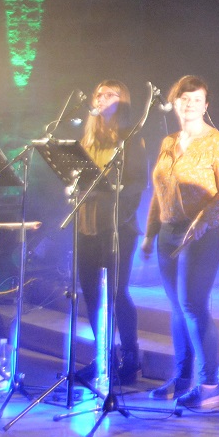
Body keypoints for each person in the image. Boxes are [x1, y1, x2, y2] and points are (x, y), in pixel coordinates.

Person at [141, 75, 219, 410]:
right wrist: (150, 233)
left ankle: (210, 386)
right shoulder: (169, 141)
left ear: (205, 105)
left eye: (196, 99)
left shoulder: (218, 143)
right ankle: (182, 379)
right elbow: (160, 191)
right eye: (184, 98)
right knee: (178, 308)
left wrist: (205, 218)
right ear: (175, 102)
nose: (189, 104)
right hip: (169, 231)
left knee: (194, 306)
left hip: (204, 232)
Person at [73, 81, 153, 386]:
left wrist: (114, 206)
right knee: (91, 293)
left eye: (110, 94)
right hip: (86, 224)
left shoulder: (130, 138)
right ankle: (103, 356)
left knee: (117, 293)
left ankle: (131, 358)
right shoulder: (86, 139)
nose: (102, 98)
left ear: (123, 102)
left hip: (118, 227)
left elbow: (136, 184)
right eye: (99, 94)